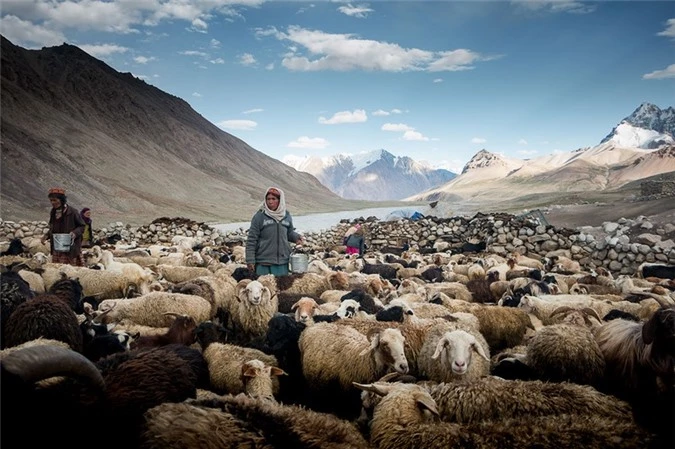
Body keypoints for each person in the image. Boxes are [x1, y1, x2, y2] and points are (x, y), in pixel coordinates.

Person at [246, 186, 303, 276]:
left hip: (282, 263)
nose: (270, 202)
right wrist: (250, 260)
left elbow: (289, 233)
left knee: (282, 288)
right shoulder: (259, 216)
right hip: (263, 263)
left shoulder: (286, 215)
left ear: (280, 200)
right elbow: (252, 239)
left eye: (274, 199)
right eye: (268, 199)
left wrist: (296, 237)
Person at [40, 187, 86, 266]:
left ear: (61, 200)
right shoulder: (53, 212)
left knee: (72, 271)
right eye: (51, 200)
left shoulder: (73, 212)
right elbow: (52, 227)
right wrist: (46, 236)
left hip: (71, 247)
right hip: (57, 246)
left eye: (55, 200)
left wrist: (74, 233)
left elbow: (82, 226)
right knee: (58, 271)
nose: (53, 202)